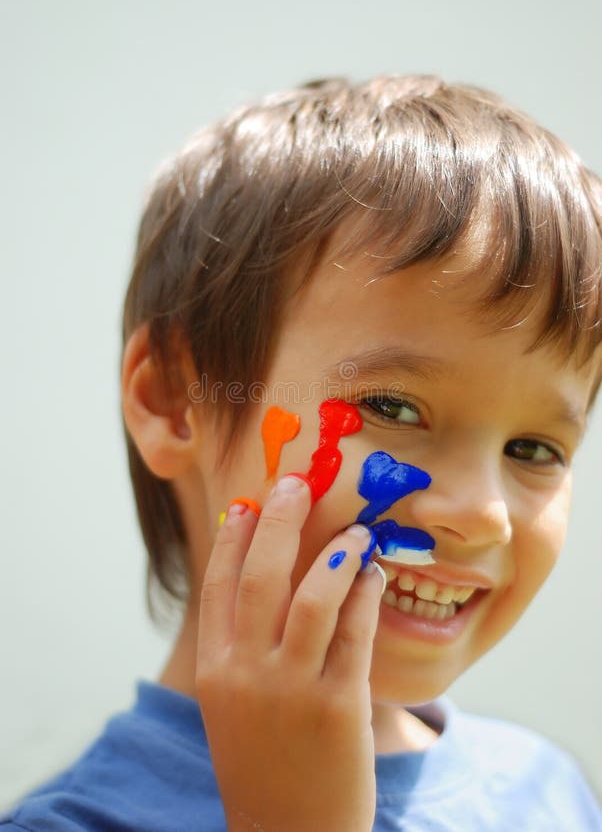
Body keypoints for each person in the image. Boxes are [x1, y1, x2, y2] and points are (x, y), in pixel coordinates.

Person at [2, 76, 601, 831]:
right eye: (391, 407)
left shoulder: (546, 795)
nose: (484, 514)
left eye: (534, 448)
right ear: (173, 401)